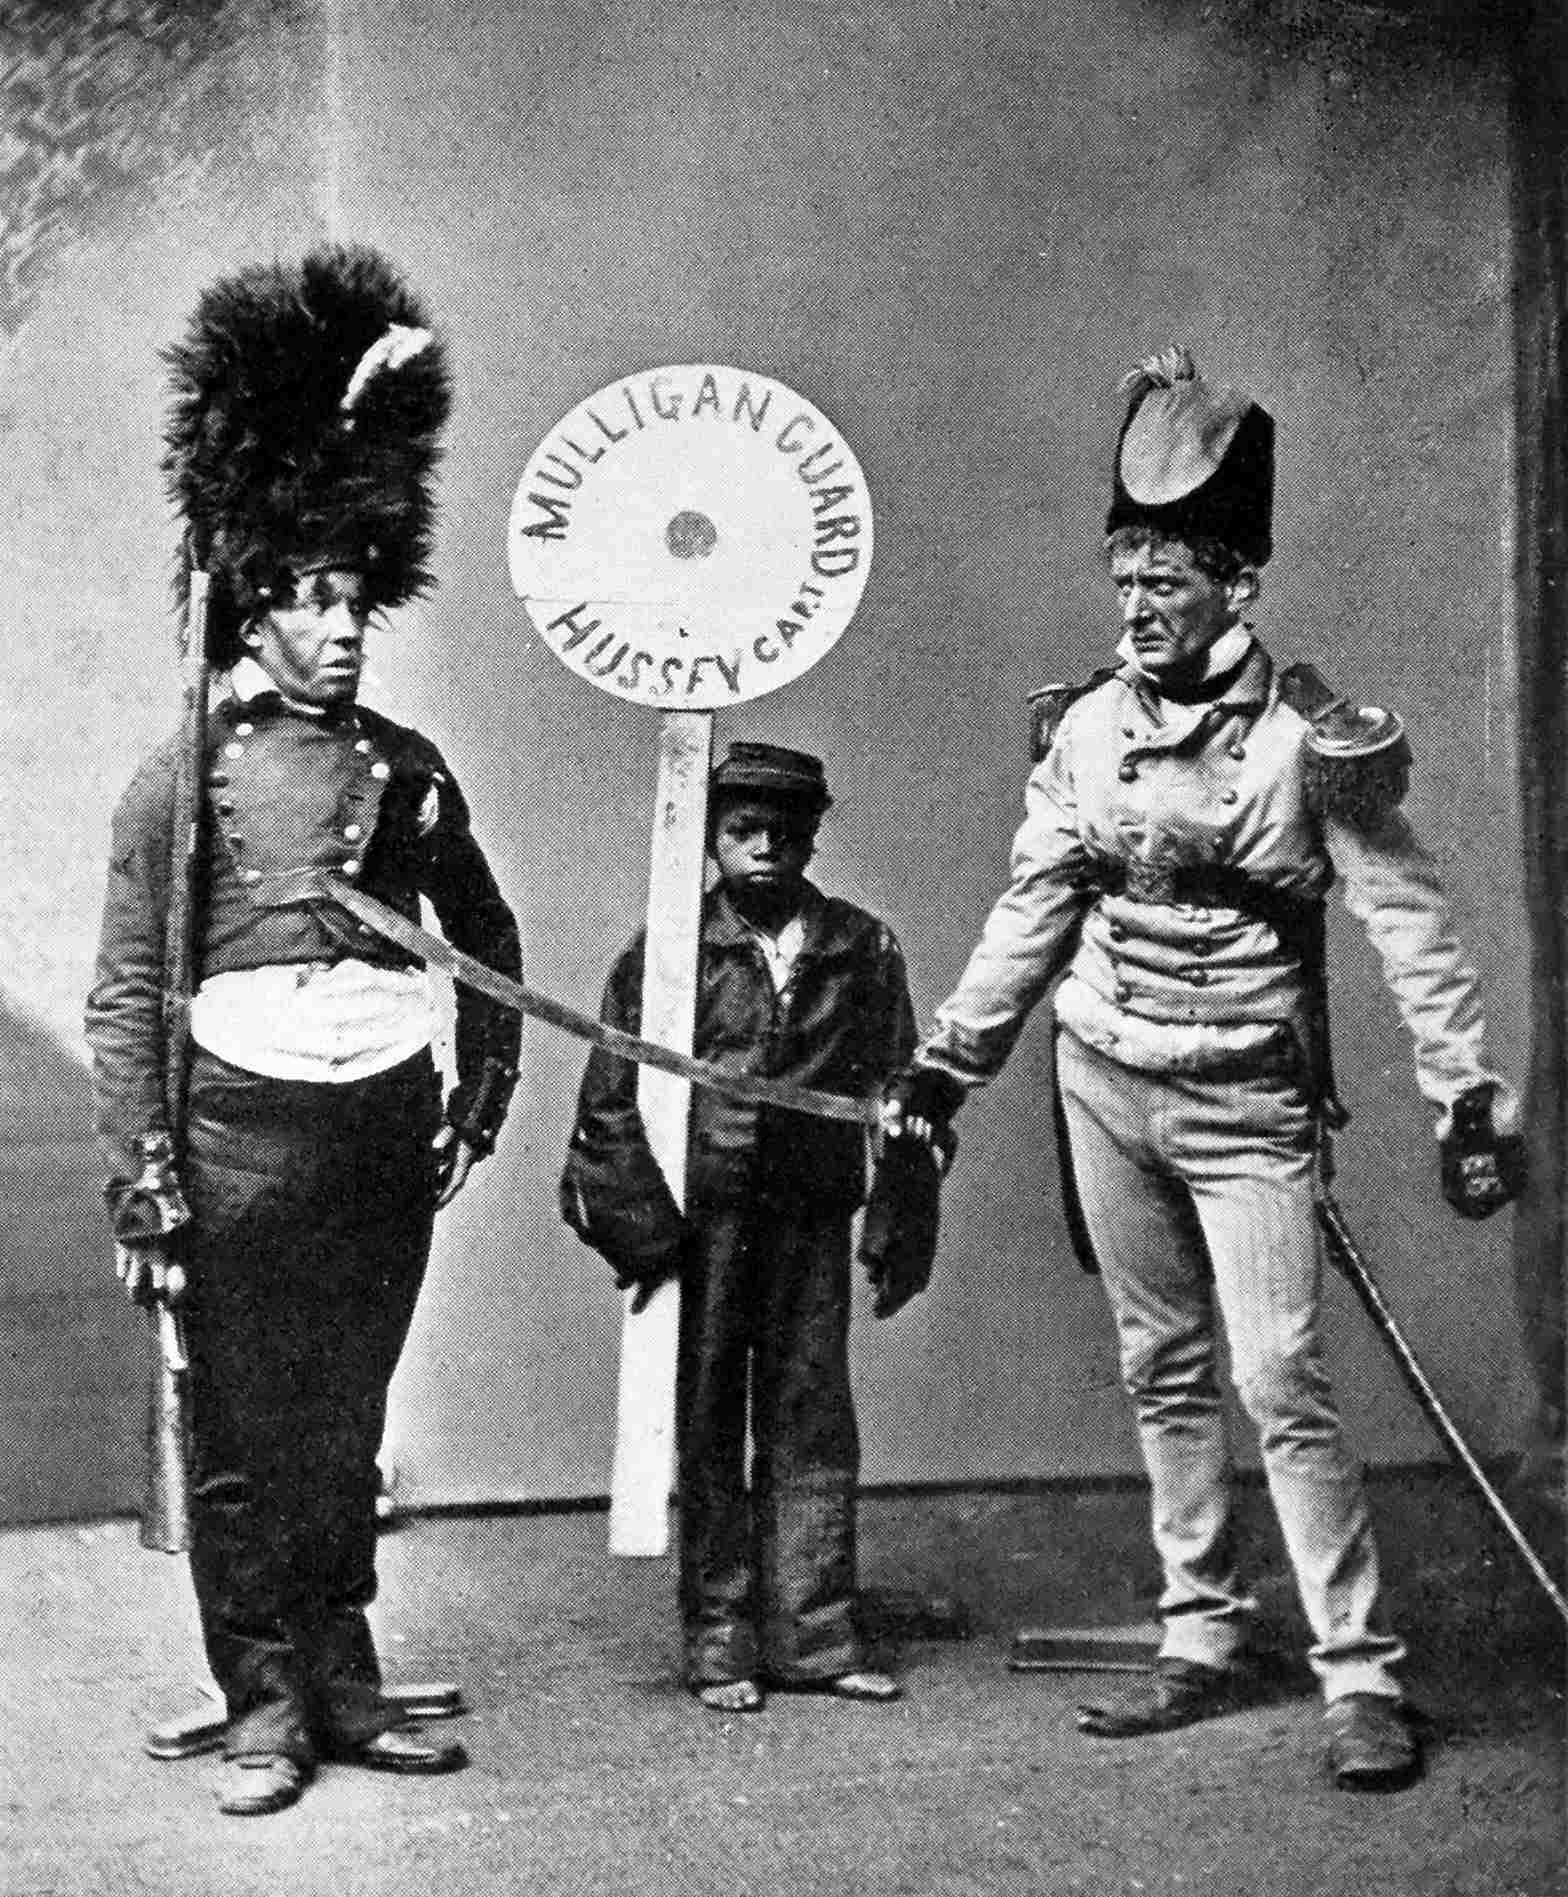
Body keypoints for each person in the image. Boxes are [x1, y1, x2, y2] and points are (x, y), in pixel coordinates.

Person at [886, 348, 1525, 1791]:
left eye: (1165, 582)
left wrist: (1460, 1094)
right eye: (1124, 580)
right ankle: (1203, 1633)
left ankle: (1357, 1672)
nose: (1135, 606)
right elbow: (1033, 908)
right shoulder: (1087, 729)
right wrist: (944, 1064)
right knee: (1160, 1365)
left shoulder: (1311, 739)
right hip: (1103, 1078)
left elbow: (1410, 923)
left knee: (1280, 1373)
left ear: (1237, 583)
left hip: (1245, 1094)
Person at [85, 247, 522, 1817]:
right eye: (308, 601)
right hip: (238, 1145)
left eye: (353, 600)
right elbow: (127, 995)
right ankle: (262, 1697)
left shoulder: (409, 767)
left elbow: (489, 940)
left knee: (347, 1421)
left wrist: (480, 1091)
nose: (341, 630)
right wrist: (147, 1175)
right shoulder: (180, 780)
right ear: (252, 609)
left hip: (377, 1136)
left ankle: (344, 1678)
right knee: (241, 1436)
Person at [562, 744, 916, 1713]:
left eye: (784, 833)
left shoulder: (860, 947)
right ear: (712, 838)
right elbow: (609, 1097)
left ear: (812, 837)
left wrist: (898, 1209)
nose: (763, 848)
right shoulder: (671, 949)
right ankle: (720, 1641)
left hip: (810, 1213)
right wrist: (645, 1231)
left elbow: (902, 1086)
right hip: (703, 1220)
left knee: (810, 1417)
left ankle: (814, 1636)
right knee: (708, 1422)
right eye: (742, 830)